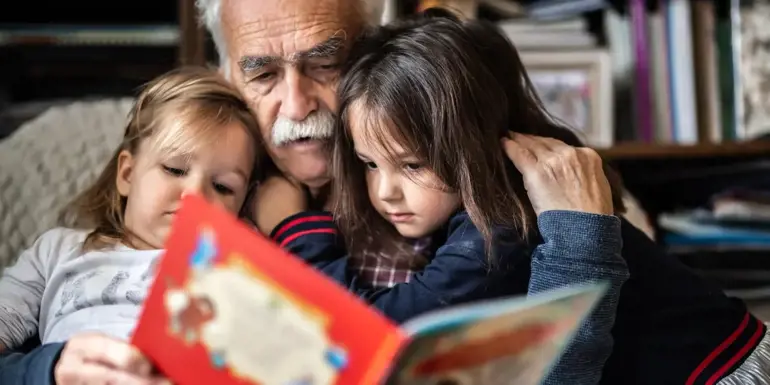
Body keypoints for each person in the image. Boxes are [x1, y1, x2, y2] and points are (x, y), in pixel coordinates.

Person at [253, 11, 770, 385]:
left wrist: (297, 229)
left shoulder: (502, 225)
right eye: (369, 164)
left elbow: (373, 333)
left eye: (412, 165)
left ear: (473, 147)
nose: (384, 190)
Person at [0, 66, 263, 385]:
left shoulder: (235, 265)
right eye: (174, 169)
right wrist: (45, 370)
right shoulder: (58, 251)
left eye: (223, 187)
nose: (195, 195)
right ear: (127, 174)